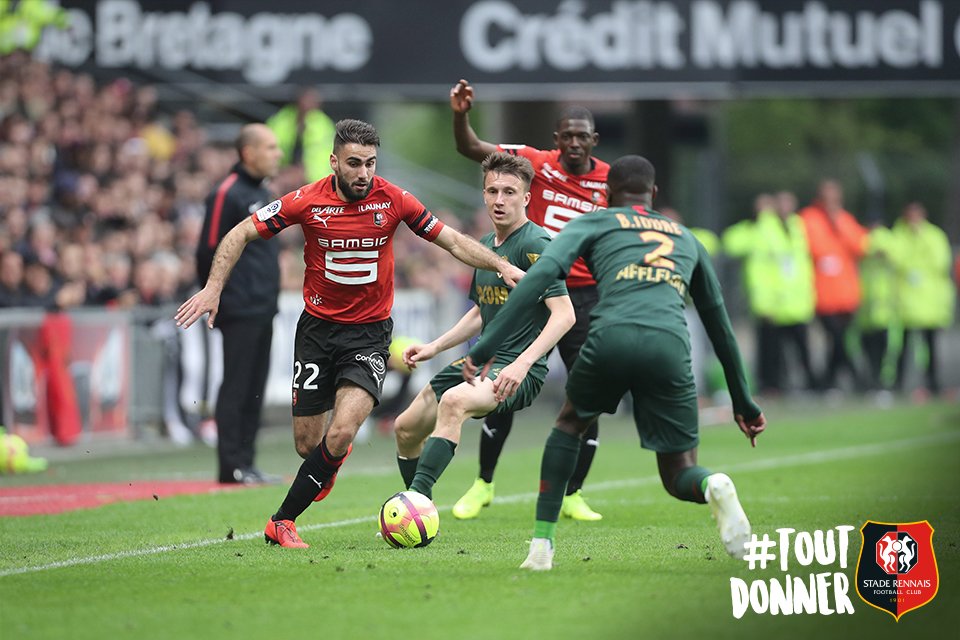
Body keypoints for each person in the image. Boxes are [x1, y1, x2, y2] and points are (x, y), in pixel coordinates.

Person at [175, 119, 525, 549]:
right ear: (334, 162)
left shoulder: (393, 199)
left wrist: (502, 265)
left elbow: (452, 240)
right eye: (354, 164)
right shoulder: (306, 200)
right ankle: (330, 460)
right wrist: (213, 287)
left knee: (340, 433)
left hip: (369, 336)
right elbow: (241, 232)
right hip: (317, 333)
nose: (363, 174)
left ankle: (281, 521)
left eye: (371, 164)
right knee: (310, 446)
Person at [462, 155, 766, 570]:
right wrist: (744, 404)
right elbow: (721, 328)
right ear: (654, 194)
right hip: (670, 346)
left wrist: (484, 347)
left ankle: (541, 549)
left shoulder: (595, 222)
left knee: (569, 424)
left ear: (606, 195)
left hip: (610, 338)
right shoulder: (685, 237)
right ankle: (713, 483)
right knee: (679, 475)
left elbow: (539, 277)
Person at [448, 78, 608, 521]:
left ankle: (573, 492)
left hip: (586, 296)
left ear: (594, 141)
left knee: (586, 393)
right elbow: (473, 149)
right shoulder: (536, 163)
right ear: (555, 140)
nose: (574, 143)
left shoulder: (608, 182)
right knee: (500, 380)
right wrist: (461, 115)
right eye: (567, 136)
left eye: (582, 136)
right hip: (531, 286)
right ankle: (483, 483)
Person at [392, 152, 574, 503]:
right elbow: (481, 309)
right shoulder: (487, 246)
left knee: (454, 401)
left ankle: (415, 502)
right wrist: (435, 346)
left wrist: (523, 364)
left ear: (526, 198)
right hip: (483, 363)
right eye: (492, 191)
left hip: (519, 369)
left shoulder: (537, 244)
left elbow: (564, 314)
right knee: (406, 428)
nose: (499, 200)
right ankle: (420, 507)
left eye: (509, 191)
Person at [194, 123, 283, 483]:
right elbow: (208, 248)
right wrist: (215, 294)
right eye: (271, 147)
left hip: (264, 305)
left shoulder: (264, 192)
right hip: (238, 306)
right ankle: (230, 466)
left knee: (255, 386)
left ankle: (246, 463)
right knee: (236, 384)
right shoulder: (225, 193)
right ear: (248, 153)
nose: (277, 154)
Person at [723, 191, 816, 394]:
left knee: (801, 351)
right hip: (771, 304)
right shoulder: (761, 228)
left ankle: (806, 385)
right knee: (771, 352)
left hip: (797, 303)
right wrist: (757, 219)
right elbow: (732, 243)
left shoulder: (797, 226)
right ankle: (771, 386)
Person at [799, 180, 868, 391]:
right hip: (822, 293)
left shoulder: (845, 219)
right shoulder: (808, 219)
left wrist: (837, 222)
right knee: (837, 338)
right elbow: (810, 248)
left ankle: (826, 382)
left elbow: (861, 246)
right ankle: (858, 379)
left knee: (839, 341)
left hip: (847, 294)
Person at [889, 202, 954, 398]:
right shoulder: (899, 235)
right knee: (903, 347)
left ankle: (933, 382)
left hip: (928, 304)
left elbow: (940, 261)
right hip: (906, 303)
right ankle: (897, 383)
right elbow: (895, 258)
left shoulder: (933, 236)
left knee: (930, 347)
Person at [267, 88, 336, 183]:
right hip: (282, 171)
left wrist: (304, 171)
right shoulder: (282, 119)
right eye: (307, 100)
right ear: (298, 101)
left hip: (315, 176)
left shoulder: (323, 123)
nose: (308, 104)